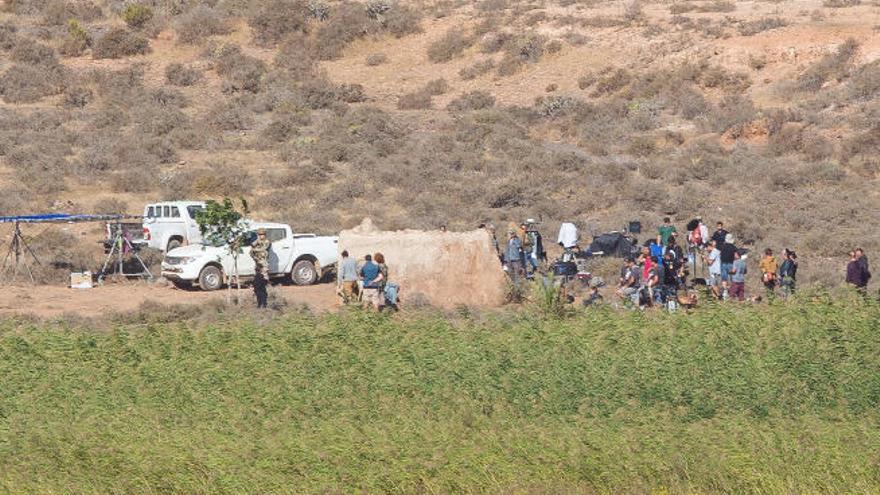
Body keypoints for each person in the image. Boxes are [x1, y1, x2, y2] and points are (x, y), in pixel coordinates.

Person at [250, 228, 271, 308]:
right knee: (257, 286)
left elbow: (264, 249)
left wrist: (255, 249)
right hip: (258, 265)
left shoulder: (267, 242)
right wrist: (256, 242)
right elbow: (252, 247)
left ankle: (264, 303)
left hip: (264, 265)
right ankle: (259, 303)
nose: (261, 236)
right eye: (259, 234)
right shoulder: (258, 241)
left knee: (263, 285)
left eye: (262, 234)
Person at [719, 233, 737, 299]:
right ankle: (732, 292)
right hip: (731, 263)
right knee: (732, 278)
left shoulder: (722, 246)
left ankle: (725, 291)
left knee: (724, 278)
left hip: (723, 263)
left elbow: (720, 254)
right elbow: (735, 256)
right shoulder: (733, 247)